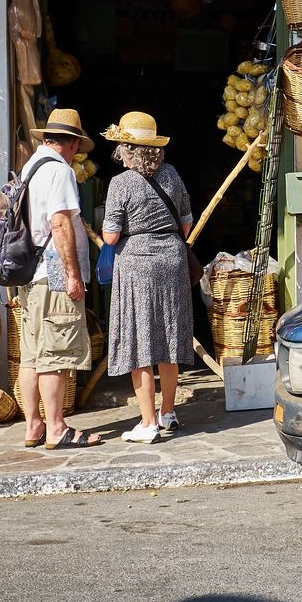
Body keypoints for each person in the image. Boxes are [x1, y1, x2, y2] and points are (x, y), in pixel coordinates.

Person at [101, 111, 195, 444]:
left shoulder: (120, 184)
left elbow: (111, 237)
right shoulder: (171, 175)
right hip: (172, 260)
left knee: (139, 342)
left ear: (128, 149)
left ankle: (147, 422)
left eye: (121, 148)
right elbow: (186, 224)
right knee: (169, 338)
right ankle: (168, 412)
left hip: (136, 267)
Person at [18, 108, 102, 450]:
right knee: (56, 352)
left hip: (32, 271)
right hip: (53, 270)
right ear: (70, 143)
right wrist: (72, 274)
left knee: (32, 354)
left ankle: (34, 426)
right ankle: (56, 428)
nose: (76, 153)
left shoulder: (31, 167)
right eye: (76, 147)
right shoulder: (59, 172)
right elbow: (60, 223)